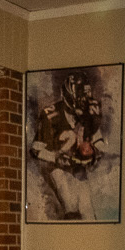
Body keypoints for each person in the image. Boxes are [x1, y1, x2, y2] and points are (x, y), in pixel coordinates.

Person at [30, 72, 103, 219]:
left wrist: (93, 152)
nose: (84, 102)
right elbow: (35, 150)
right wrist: (56, 157)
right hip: (55, 167)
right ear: (70, 97)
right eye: (81, 98)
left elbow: (99, 141)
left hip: (77, 167)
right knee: (70, 205)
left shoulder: (90, 112)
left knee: (88, 212)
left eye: (86, 97)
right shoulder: (51, 115)